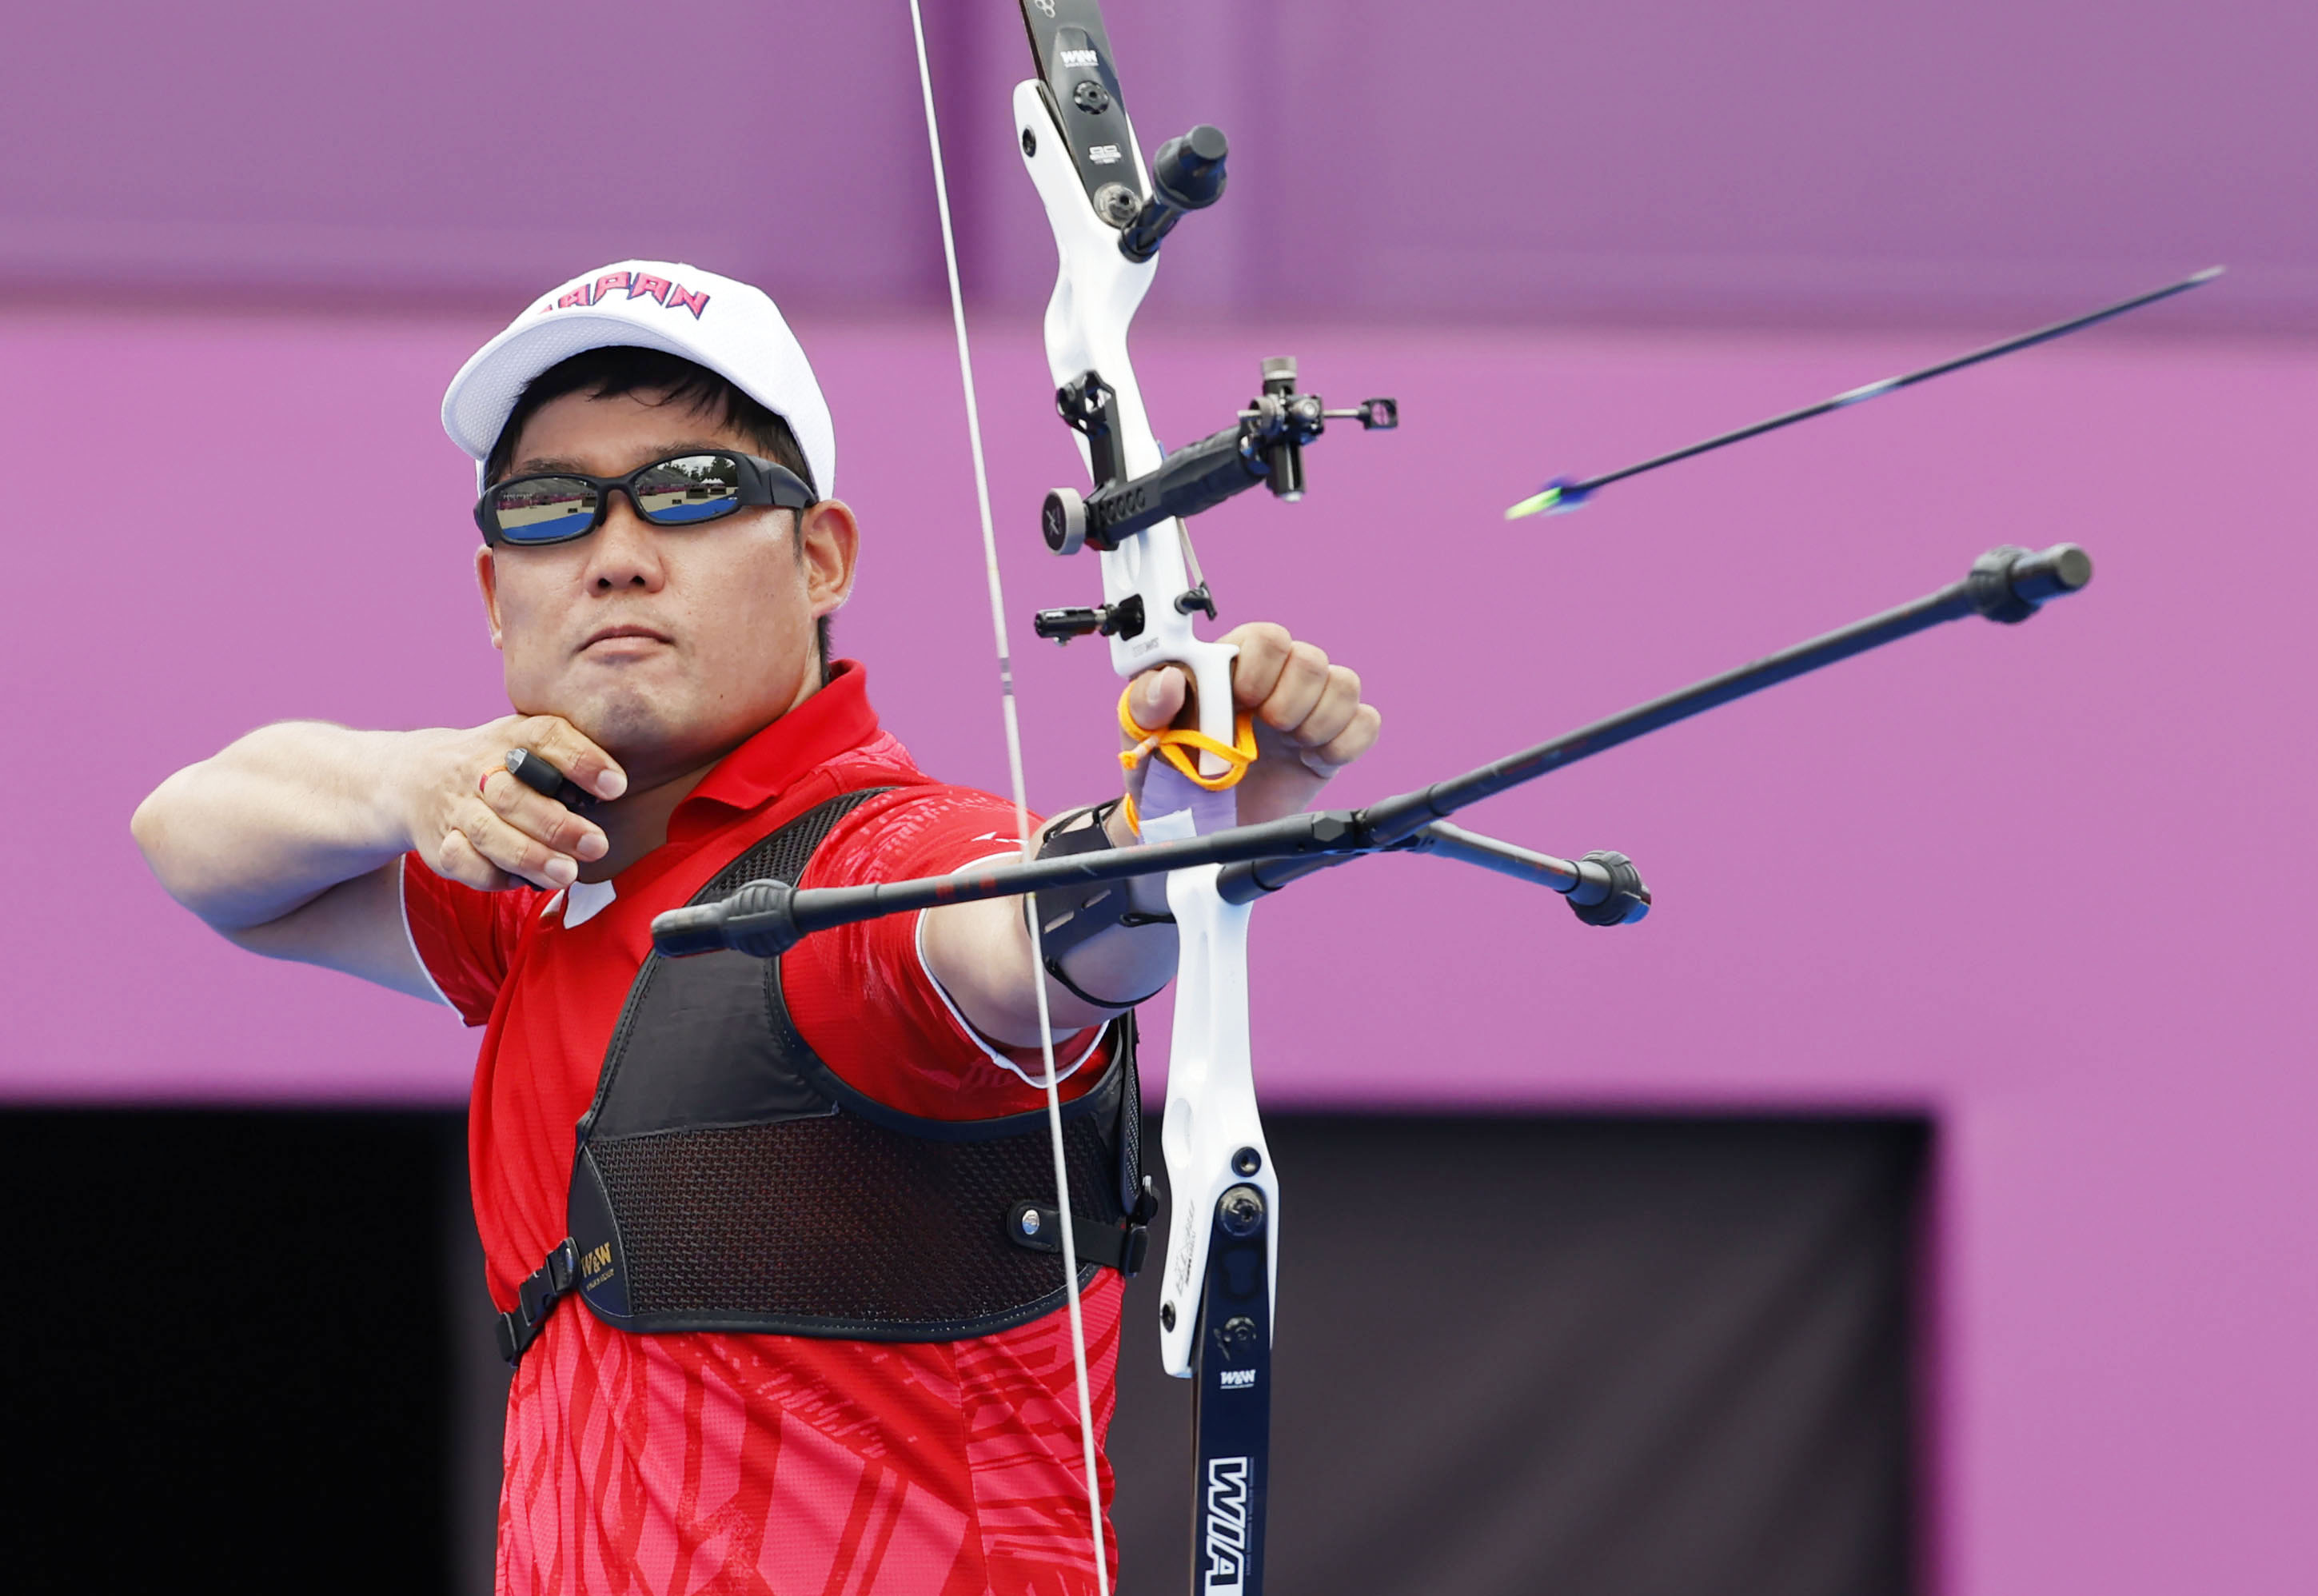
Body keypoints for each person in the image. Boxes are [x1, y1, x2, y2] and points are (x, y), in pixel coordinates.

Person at [130, 259, 1379, 1594]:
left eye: (691, 491)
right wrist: (409, 781)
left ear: (820, 555)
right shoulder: (541, 882)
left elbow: (1018, 942)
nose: (615, 555)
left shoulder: (875, 859)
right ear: (496, 594)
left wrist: (1171, 846)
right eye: (554, 510)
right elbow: (192, 838)